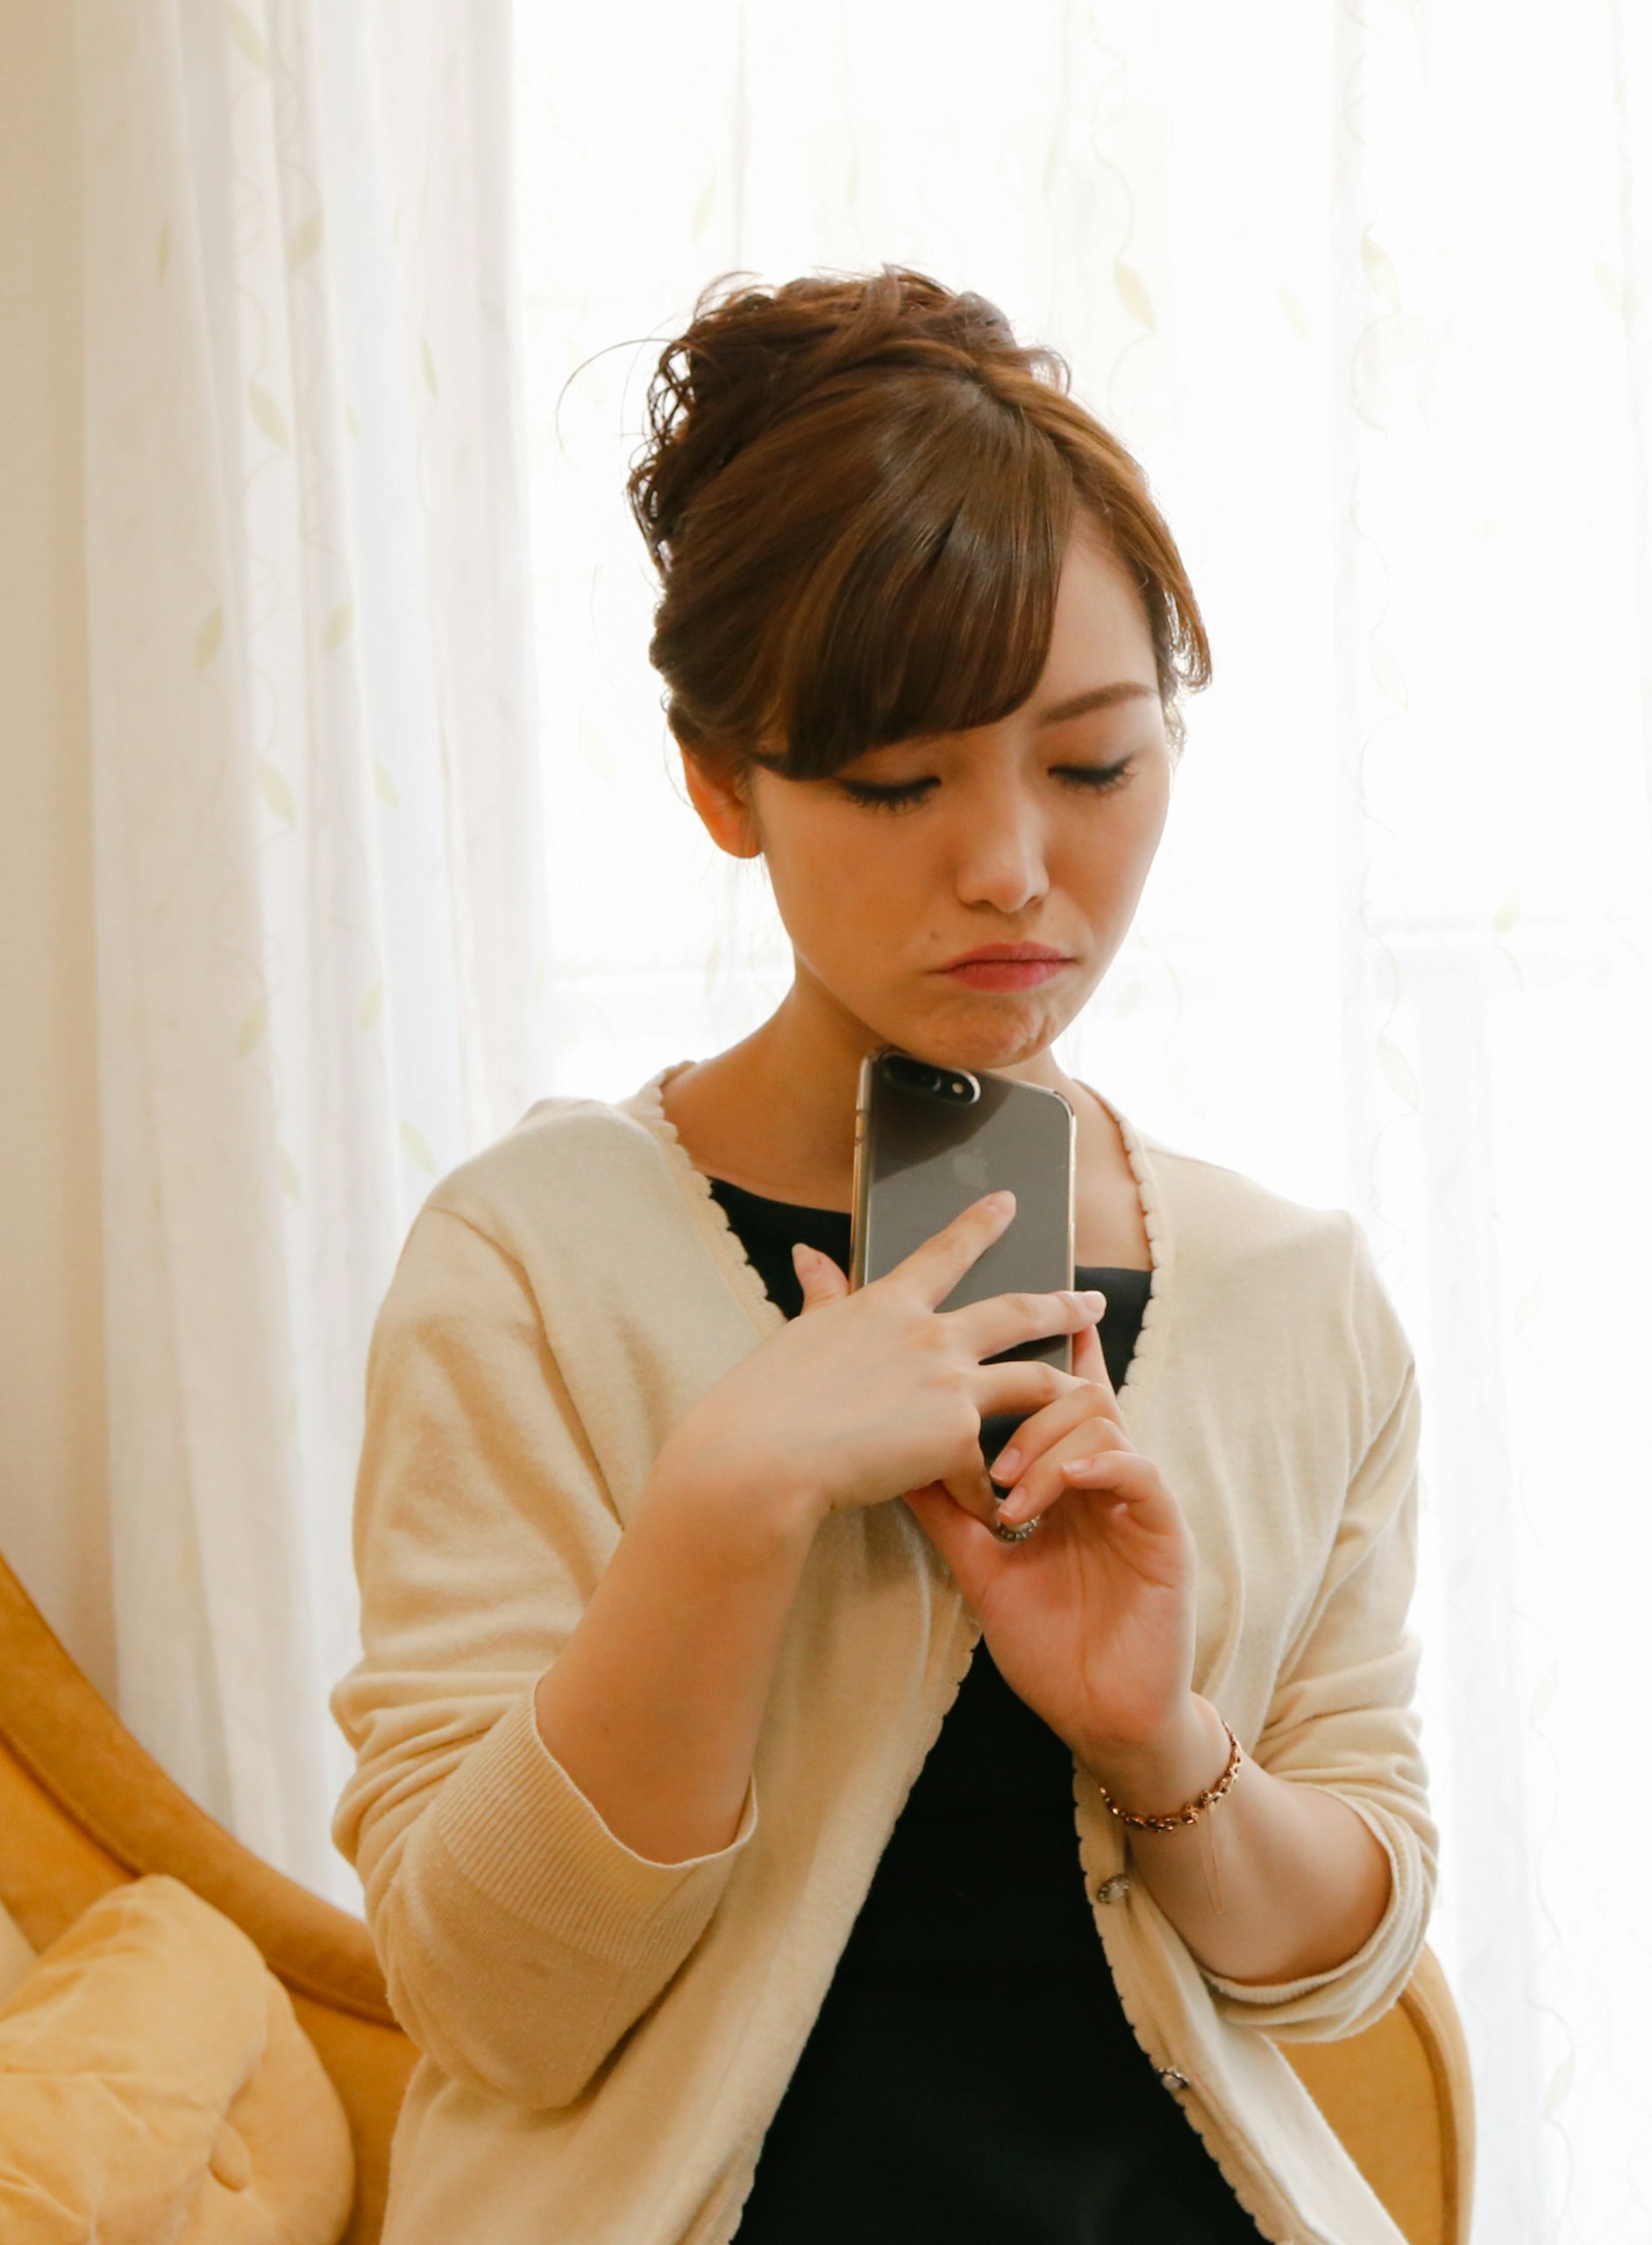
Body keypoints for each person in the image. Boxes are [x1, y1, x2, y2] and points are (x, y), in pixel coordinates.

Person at [330, 267, 1435, 2245]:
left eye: (1093, 764)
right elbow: (490, 2000)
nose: (1014, 862)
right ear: (722, 779)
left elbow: (1341, 1956)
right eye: (902, 779)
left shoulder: (1297, 1296)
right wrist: (728, 1504)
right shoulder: (529, 1262)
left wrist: (1159, 1737)